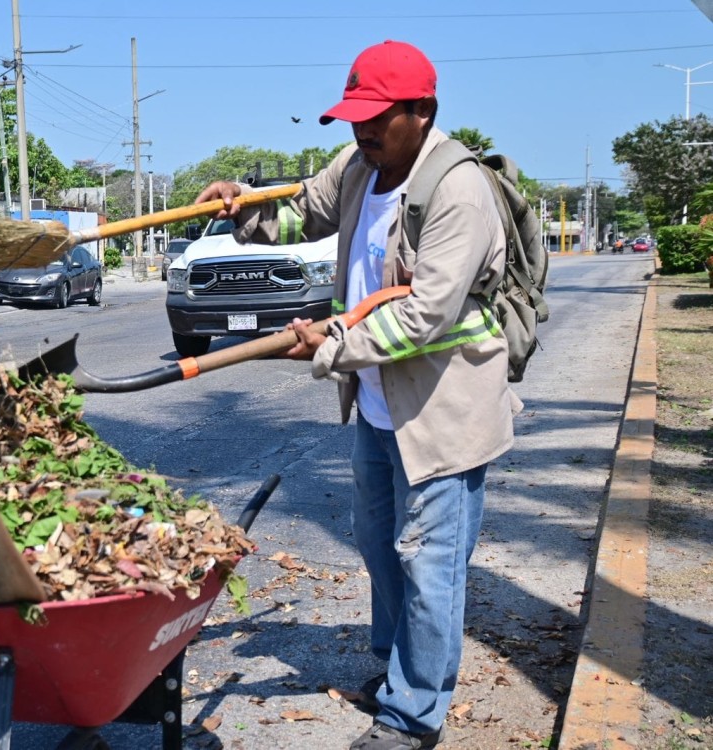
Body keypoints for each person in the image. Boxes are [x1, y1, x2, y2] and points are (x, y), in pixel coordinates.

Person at [195, 40, 521, 750]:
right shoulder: (356, 167)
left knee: (429, 563)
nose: (361, 131)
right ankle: (399, 669)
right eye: (354, 118)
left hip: (443, 411)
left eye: (377, 118)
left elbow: (426, 316)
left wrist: (329, 347)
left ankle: (413, 714)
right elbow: (298, 217)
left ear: (422, 112)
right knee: (381, 548)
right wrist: (240, 207)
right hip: (377, 407)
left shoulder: (458, 189)